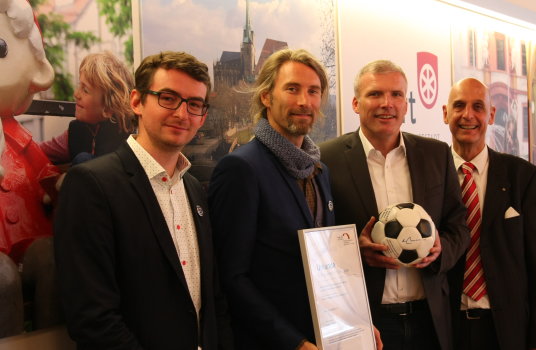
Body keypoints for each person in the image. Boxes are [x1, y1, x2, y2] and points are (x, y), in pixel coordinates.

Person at [54, 51, 234, 349]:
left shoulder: (194, 190)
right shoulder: (91, 185)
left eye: (194, 104)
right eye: (168, 97)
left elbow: (213, 299)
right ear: (136, 102)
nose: (181, 113)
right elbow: (93, 318)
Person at [319, 60, 468, 350]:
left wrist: (440, 249)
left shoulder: (436, 154)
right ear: (355, 104)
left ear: (406, 104)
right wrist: (355, 253)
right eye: (375, 94)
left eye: (397, 95)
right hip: (367, 321)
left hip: (430, 319)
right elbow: (318, 237)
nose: (387, 104)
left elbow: (458, 224)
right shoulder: (327, 159)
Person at [208, 48, 339, 350]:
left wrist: (352, 322)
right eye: (292, 89)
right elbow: (232, 277)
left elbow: (321, 263)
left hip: (320, 337)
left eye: (313, 91)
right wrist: (294, 342)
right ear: (266, 96)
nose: (304, 101)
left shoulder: (318, 170)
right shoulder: (241, 168)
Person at [443, 78, 536, 350]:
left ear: (491, 115)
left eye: (478, 107)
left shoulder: (522, 176)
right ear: (445, 113)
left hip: (506, 329)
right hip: (446, 327)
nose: (468, 115)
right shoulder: (430, 176)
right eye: (459, 106)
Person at [0, 0, 61, 335]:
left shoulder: (19, 139)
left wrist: (62, 185)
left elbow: (46, 173)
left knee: (52, 259)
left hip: (29, 237)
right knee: (2, 277)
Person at [40, 51, 135, 166]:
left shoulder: (130, 141)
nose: (76, 94)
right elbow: (37, 152)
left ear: (108, 108)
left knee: (83, 160)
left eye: (85, 90)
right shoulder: (75, 131)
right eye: (79, 85)